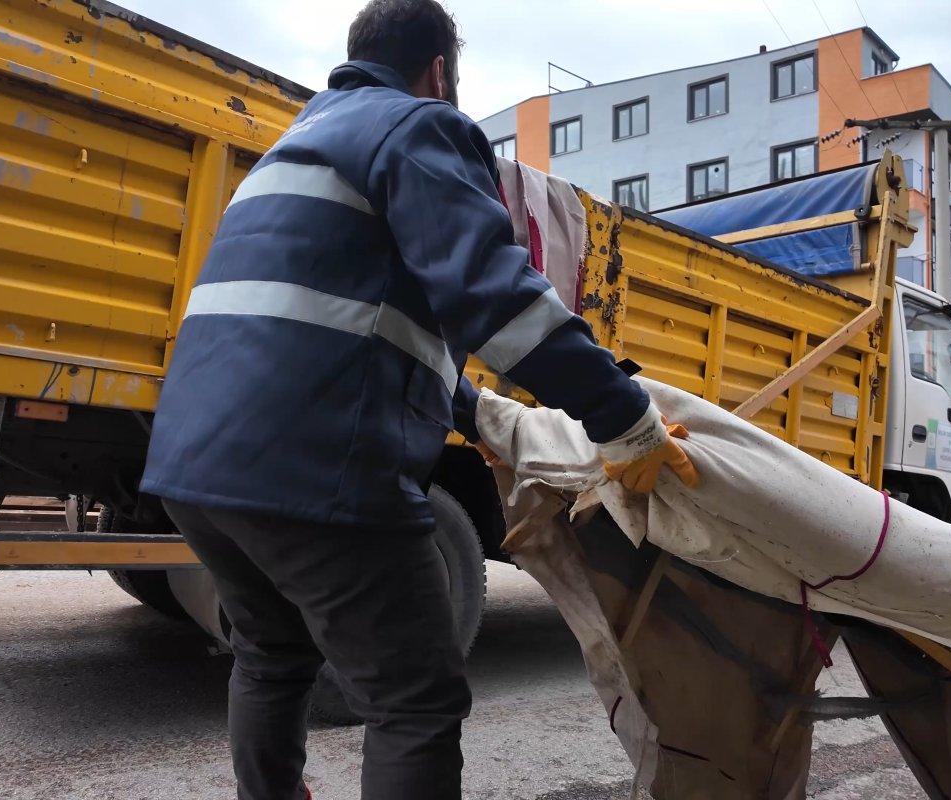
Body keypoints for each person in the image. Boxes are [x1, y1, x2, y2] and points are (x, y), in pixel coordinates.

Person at [139, 1, 698, 797]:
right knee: (415, 701)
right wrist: (626, 420)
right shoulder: (418, 127)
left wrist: (481, 412)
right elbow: (495, 299)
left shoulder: (292, 148)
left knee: (272, 657)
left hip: (195, 465)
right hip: (316, 466)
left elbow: (357, 325)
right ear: (438, 73)